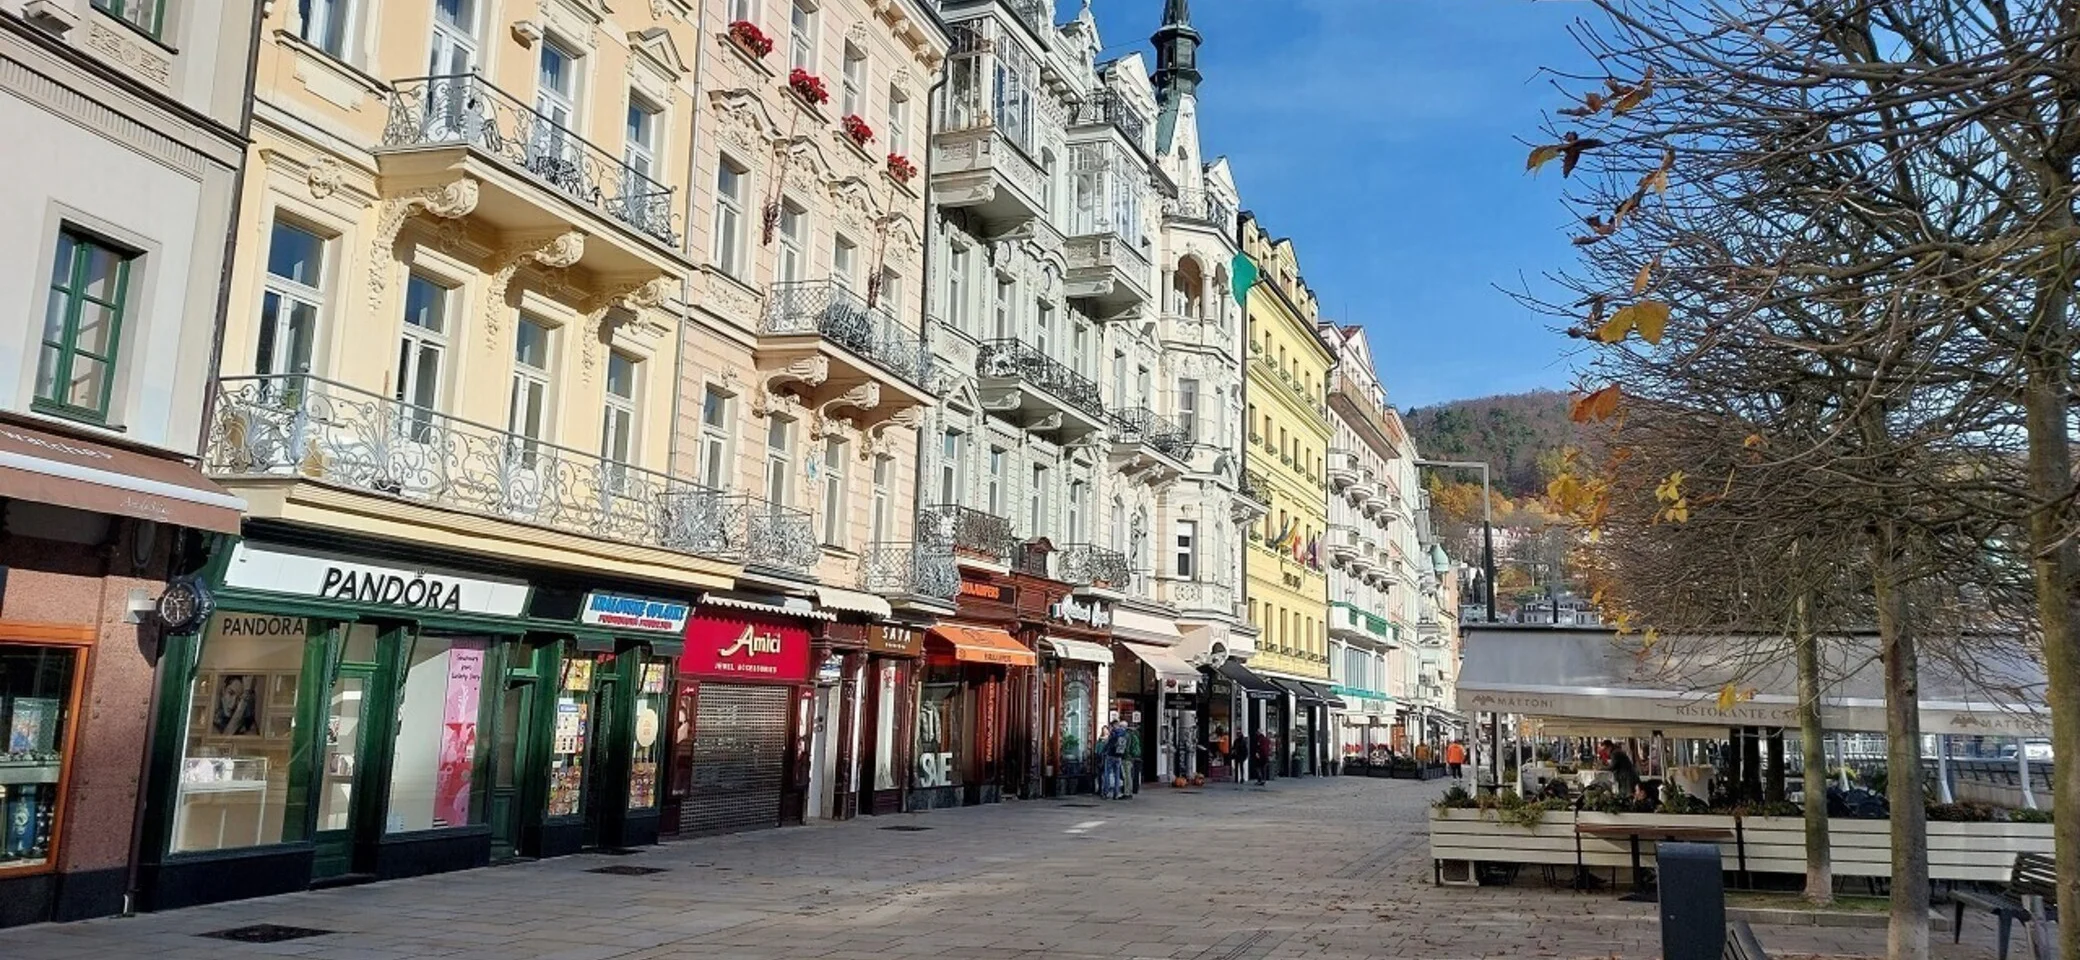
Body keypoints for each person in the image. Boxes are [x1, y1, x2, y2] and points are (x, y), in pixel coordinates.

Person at [1124, 722, 1143, 797]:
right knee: (1132, 774)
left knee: (1127, 775)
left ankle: (1127, 792)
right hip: (1134, 757)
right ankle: (1132, 790)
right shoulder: (1136, 735)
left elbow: (1127, 748)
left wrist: (1125, 754)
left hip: (1128, 757)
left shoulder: (1129, 736)